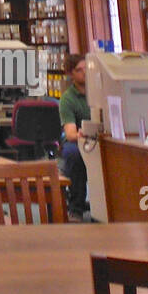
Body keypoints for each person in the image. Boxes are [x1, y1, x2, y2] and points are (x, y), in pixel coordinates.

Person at [58, 53, 90, 220]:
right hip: (78, 140)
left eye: (86, 68)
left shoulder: (99, 90)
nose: (84, 73)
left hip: (100, 138)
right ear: (70, 74)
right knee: (75, 155)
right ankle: (76, 206)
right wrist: (81, 134)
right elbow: (70, 134)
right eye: (79, 70)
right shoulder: (67, 99)